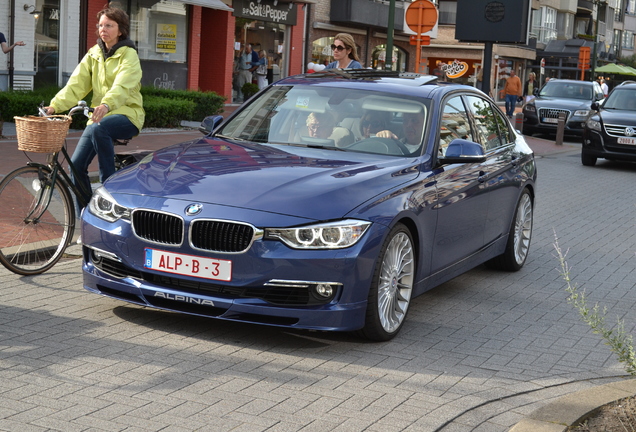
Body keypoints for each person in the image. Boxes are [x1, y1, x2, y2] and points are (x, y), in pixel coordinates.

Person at [43, 7, 144, 205]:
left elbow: (123, 85)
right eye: (100, 25)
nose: (102, 29)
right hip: (99, 117)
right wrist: (54, 106)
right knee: (76, 165)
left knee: (101, 128)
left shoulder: (129, 55)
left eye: (109, 25)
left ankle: (109, 185)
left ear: (120, 30)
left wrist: (106, 104)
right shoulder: (94, 54)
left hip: (128, 114)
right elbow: (76, 85)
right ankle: (87, 215)